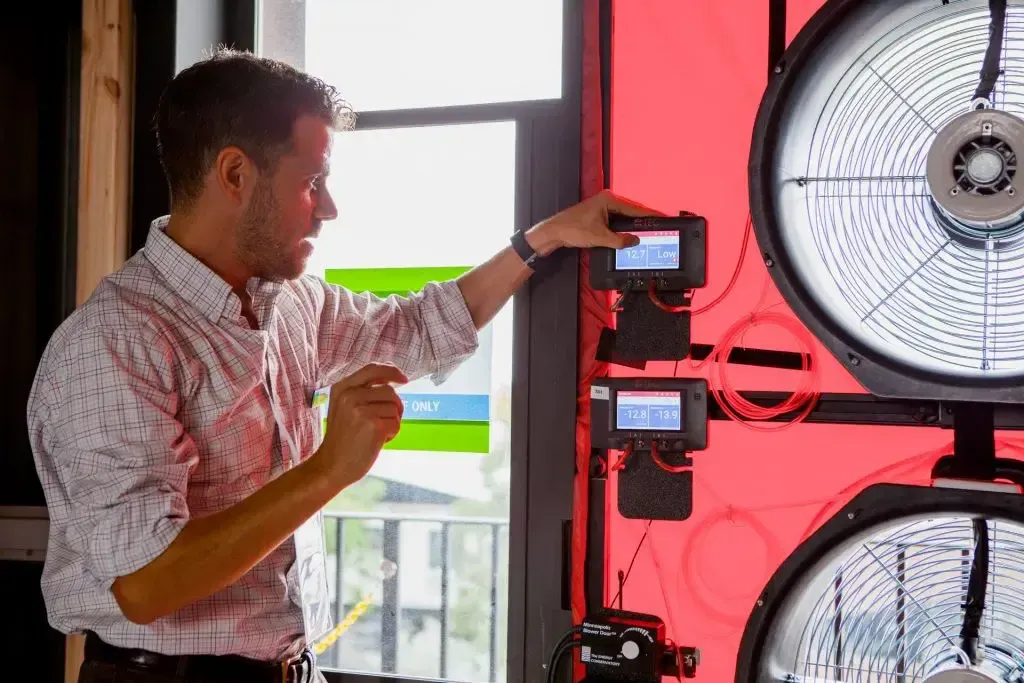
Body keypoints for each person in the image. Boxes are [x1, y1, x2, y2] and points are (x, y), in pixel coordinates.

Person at [26, 48, 650, 683]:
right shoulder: (117, 341)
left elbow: (422, 327)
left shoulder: (290, 302)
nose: (328, 209)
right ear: (235, 175)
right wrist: (330, 469)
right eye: (311, 182)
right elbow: (146, 581)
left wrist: (543, 238)